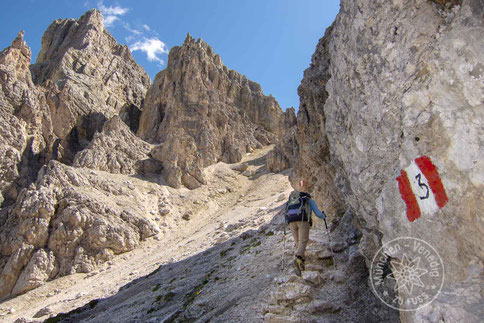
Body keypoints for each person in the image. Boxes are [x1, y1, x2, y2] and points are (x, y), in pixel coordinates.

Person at [286, 180, 326, 276]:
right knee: (303, 241)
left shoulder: (292, 200)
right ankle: (298, 258)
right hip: (303, 221)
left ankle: (301, 264)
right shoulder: (309, 200)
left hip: (291, 222)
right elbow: (318, 213)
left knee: (298, 242)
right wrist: (324, 216)